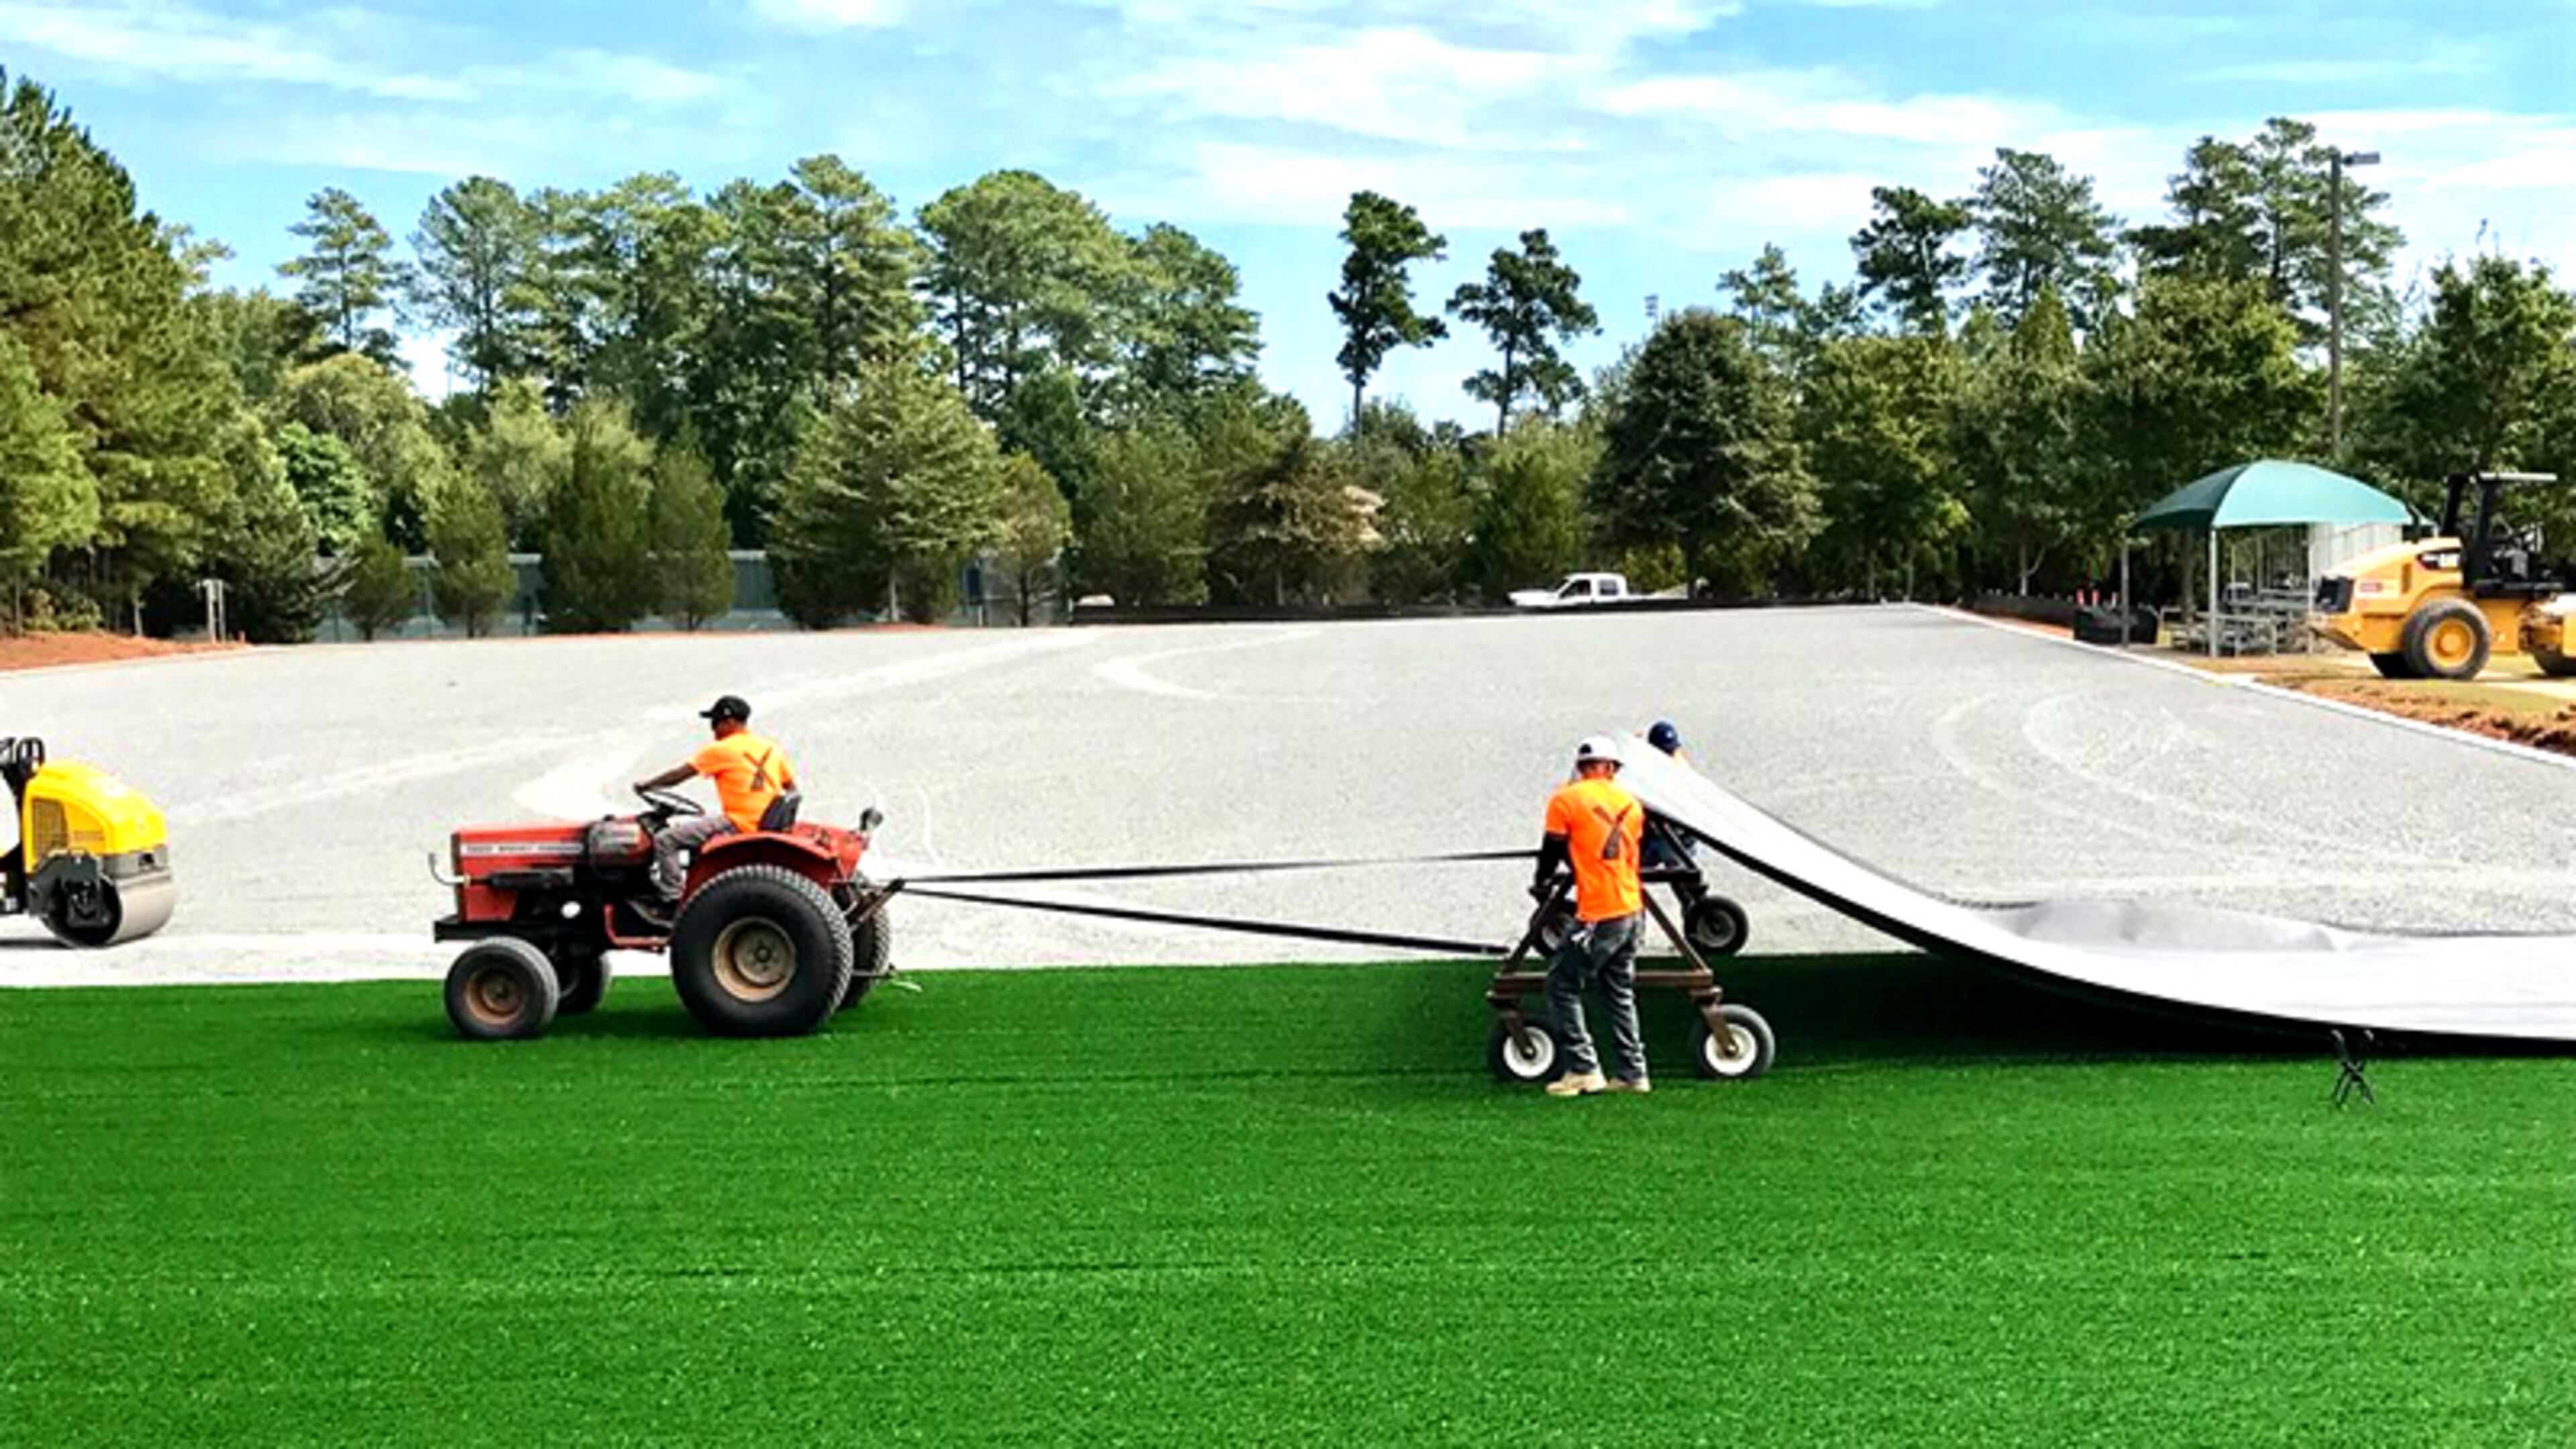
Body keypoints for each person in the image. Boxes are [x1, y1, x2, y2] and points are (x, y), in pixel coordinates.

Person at [1532, 734, 1649, 1097]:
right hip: (1632, 908)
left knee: (1561, 984)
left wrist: (1541, 882)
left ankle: (1584, 1069)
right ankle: (1633, 1073)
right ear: (1611, 768)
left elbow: (1552, 849)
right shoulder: (1632, 804)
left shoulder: (1565, 800)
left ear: (1582, 767)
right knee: (1618, 989)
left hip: (1600, 910)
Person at [632, 694, 798, 902]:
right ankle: (695, 886)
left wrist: (647, 785)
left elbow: (679, 775)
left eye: (715, 723)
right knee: (693, 833)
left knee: (666, 840)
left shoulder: (721, 750)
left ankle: (672, 898)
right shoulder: (771, 748)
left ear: (729, 722)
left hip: (739, 822)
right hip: (765, 821)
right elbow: (791, 788)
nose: (713, 730)